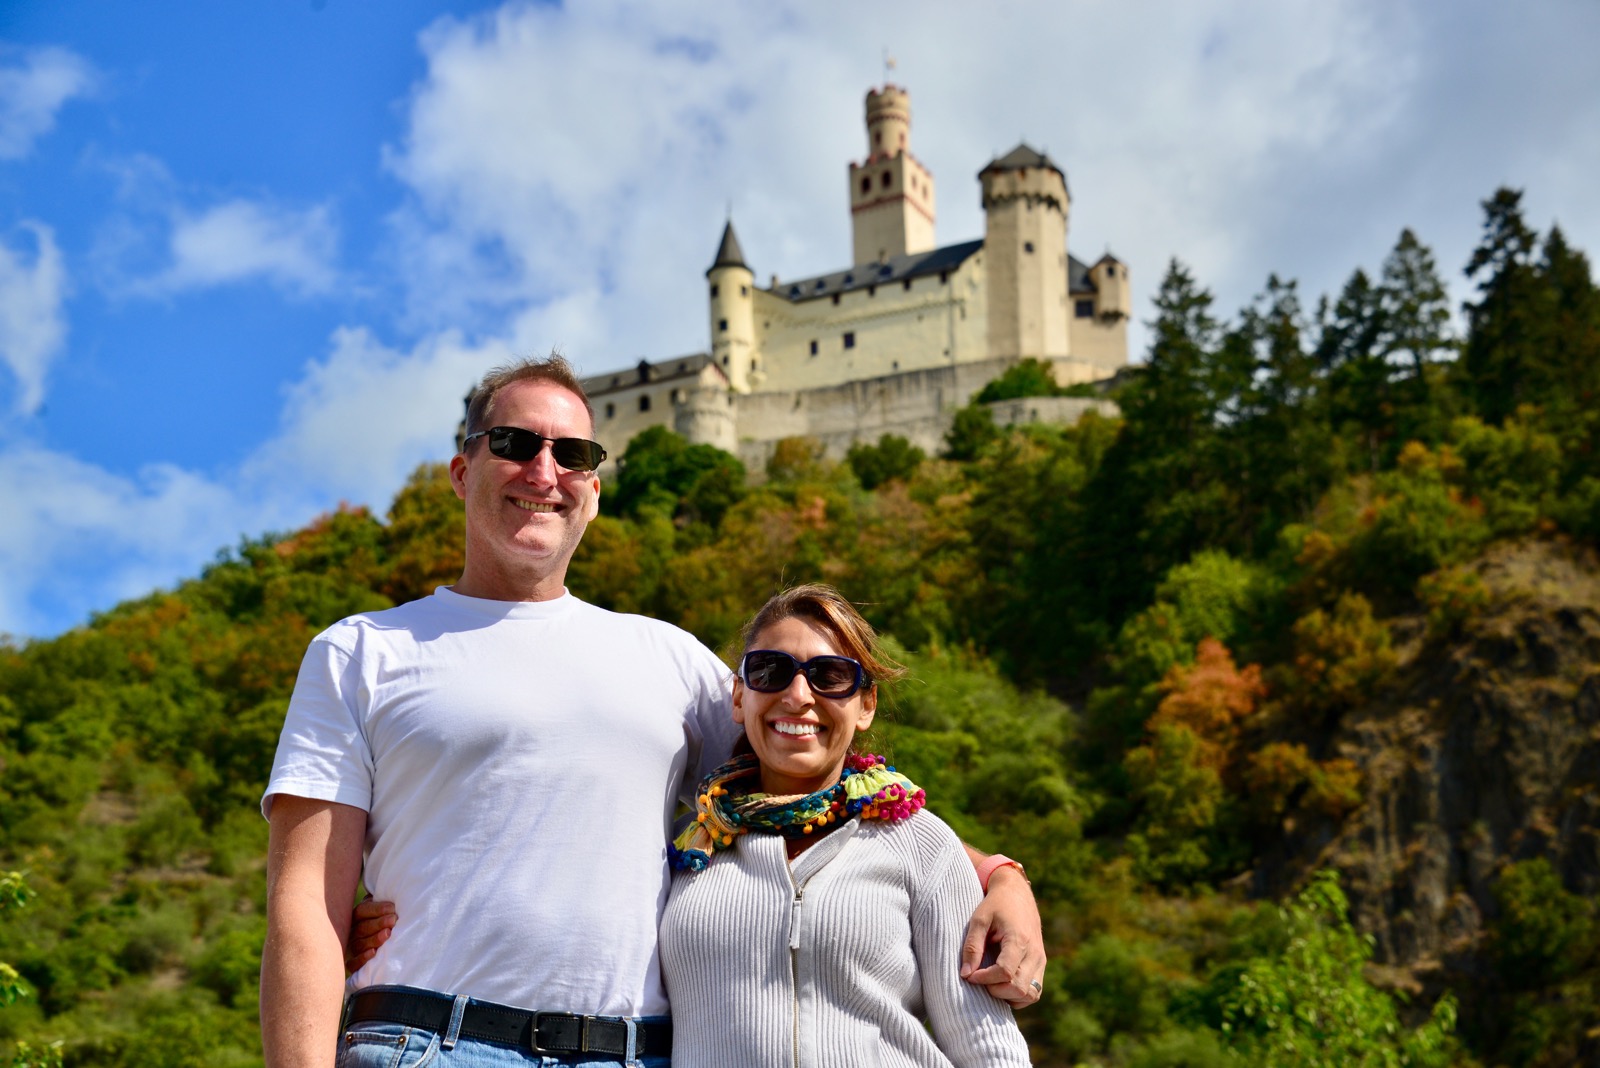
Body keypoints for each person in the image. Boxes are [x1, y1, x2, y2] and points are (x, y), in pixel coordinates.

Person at [261, 355, 1044, 1068]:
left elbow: (817, 779)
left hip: (630, 1056)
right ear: (463, 471)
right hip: (431, 1044)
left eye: (572, 454)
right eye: (515, 443)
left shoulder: (665, 659)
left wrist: (997, 877)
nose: (545, 469)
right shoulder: (362, 651)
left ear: (593, 493)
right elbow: (304, 909)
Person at [659, 583, 1033, 1066]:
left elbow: (986, 1043)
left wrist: (1008, 875)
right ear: (738, 697)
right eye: (770, 672)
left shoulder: (921, 843)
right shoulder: (690, 847)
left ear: (866, 705)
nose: (797, 697)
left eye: (829, 676)